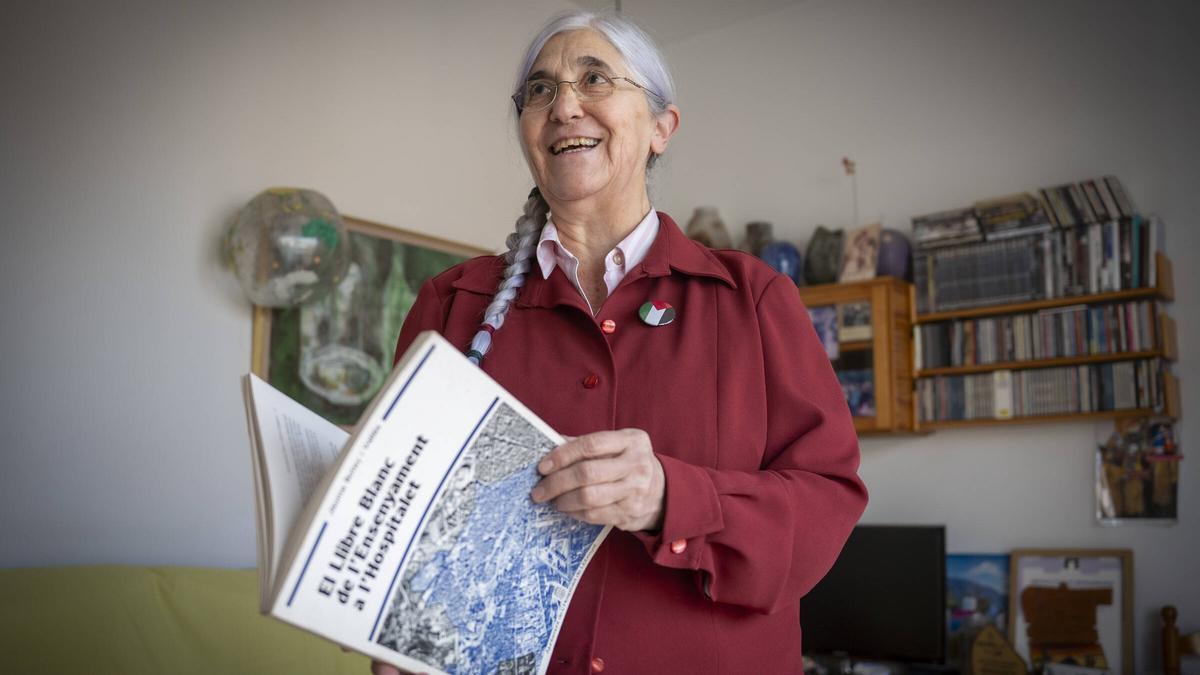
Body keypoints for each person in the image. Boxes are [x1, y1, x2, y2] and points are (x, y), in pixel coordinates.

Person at [374, 11, 867, 674]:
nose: (564, 106)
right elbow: (403, 516)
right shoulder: (452, 305)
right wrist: (393, 635)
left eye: (595, 79)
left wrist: (670, 497)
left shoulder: (753, 299)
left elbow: (825, 506)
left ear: (662, 127)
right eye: (540, 90)